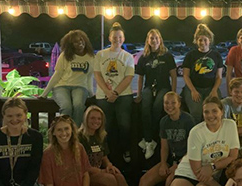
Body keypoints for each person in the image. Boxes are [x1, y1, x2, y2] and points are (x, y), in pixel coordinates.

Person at [116, 92, 195, 186]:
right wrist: (164, 163)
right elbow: (164, 146)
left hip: (186, 162)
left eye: (172, 103)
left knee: (169, 182)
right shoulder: (164, 121)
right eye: (166, 103)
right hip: (171, 161)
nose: (169, 106)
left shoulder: (188, 120)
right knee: (144, 180)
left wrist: (178, 165)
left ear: (179, 103)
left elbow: (193, 147)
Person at [78, 105, 135, 186]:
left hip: (99, 171)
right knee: (111, 180)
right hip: (86, 175)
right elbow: (81, 165)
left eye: (99, 119)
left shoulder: (101, 135)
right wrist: (101, 171)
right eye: (92, 118)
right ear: (86, 119)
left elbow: (104, 156)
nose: (96, 121)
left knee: (119, 176)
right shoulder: (80, 137)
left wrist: (109, 165)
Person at [94, 22, 134, 163]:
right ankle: (105, 154)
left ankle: (125, 150)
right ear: (109, 38)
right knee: (105, 126)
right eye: (115, 37)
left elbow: (129, 77)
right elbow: (97, 75)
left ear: (123, 38)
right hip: (103, 95)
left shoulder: (128, 56)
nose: (117, 39)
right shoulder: (100, 54)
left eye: (120, 37)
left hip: (123, 95)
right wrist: (107, 92)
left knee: (125, 125)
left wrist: (115, 93)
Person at [136, 29, 177, 159]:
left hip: (164, 87)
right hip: (149, 87)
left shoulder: (167, 56)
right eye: (151, 38)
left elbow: (174, 76)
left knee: (157, 107)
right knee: (145, 107)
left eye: (156, 38)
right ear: (148, 40)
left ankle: (151, 138)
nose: (154, 40)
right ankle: (149, 141)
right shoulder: (143, 57)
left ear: (160, 40)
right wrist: (139, 94)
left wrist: (174, 93)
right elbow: (140, 77)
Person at [40, 30, 95, 126]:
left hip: (80, 86)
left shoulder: (90, 57)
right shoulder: (65, 56)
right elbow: (57, 75)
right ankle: (65, 132)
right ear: (70, 44)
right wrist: (44, 94)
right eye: (76, 42)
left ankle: (75, 133)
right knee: (66, 107)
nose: (80, 43)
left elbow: (89, 76)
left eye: (81, 40)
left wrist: (91, 93)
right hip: (62, 86)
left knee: (78, 106)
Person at [181, 23, 223, 124]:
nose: (203, 43)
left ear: (209, 41)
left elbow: (219, 77)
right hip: (194, 88)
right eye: (200, 40)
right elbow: (186, 75)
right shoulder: (190, 55)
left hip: (211, 88)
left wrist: (214, 90)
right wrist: (193, 91)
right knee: (196, 112)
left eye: (205, 40)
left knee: (216, 111)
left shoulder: (216, 55)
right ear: (196, 41)